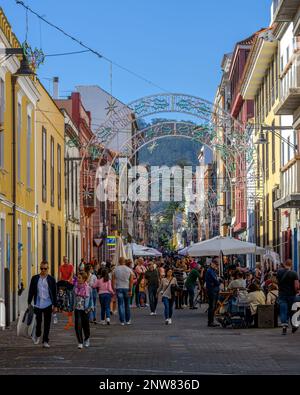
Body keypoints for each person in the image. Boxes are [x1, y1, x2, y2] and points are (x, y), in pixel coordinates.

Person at [28, 261, 57, 348]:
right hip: (38, 303)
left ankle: (45, 341)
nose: (43, 270)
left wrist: (55, 305)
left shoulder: (51, 279)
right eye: (41, 268)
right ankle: (38, 334)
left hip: (48, 303)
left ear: (48, 269)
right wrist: (29, 302)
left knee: (47, 323)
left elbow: (54, 293)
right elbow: (31, 291)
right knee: (38, 322)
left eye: (45, 268)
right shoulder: (35, 278)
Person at [277, 259, 300, 335]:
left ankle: (284, 327)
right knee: (292, 310)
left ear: (284, 264)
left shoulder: (279, 272)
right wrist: (297, 292)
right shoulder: (294, 273)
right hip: (291, 295)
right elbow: (296, 286)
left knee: (283, 310)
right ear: (291, 264)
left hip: (282, 295)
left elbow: (277, 282)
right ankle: (294, 325)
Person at [73, 271, 94, 349]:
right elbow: (73, 298)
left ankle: (87, 338)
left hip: (85, 309)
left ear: (84, 279)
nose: (77, 279)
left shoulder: (88, 288)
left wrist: (90, 307)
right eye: (77, 277)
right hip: (77, 309)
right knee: (77, 325)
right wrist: (71, 307)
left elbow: (91, 299)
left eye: (79, 278)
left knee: (85, 326)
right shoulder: (75, 287)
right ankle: (80, 342)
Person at [112, 257, 134, 325]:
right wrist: (131, 290)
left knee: (120, 304)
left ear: (118, 261)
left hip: (119, 288)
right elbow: (131, 281)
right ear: (124, 261)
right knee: (127, 305)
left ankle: (122, 321)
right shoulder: (129, 270)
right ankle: (127, 320)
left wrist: (114, 289)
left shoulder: (115, 269)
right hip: (126, 288)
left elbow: (113, 280)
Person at [58, 256, 74, 329]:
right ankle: (63, 306)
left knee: (70, 294)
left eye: (66, 260)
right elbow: (59, 275)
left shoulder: (71, 266)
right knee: (62, 295)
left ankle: (70, 307)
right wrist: (60, 281)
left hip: (69, 282)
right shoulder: (61, 267)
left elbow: (71, 274)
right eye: (64, 260)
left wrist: (68, 280)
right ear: (63, 260)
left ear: (68, 260)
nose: (65, 261)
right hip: (63, 282)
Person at [205, 259, 221, 327]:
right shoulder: (210, 271)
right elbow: (215, 281)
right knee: (212, 306)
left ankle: (211, 321)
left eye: (217, 265)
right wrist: (219, 281)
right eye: (215, 264)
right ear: (212, 264)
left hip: (214, 290)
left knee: (213, 306)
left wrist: (218, 281)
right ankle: (210, 322)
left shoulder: (213, 271)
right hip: (212, 290)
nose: (216, 266)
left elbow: (216, 280)